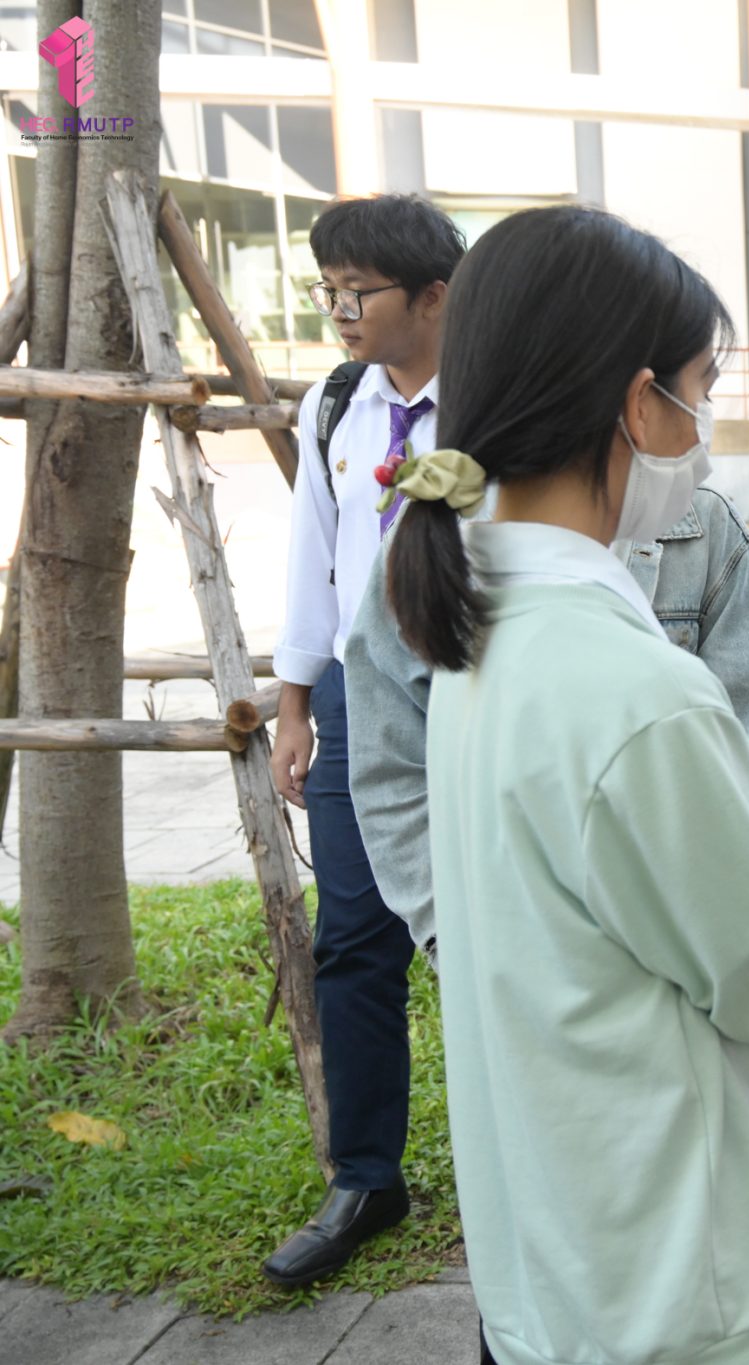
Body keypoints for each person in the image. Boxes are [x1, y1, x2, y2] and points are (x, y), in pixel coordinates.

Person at [383, 205, 749, 1365]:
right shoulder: (630, 688)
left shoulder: (487, 630)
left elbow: (667, 842)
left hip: (559, 1271)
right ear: (639, 405)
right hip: (684, 1296)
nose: (704, 426)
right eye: (700, 389)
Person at [262, 193, 465, 1287]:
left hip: (465, 690)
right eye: (328, 291)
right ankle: (366, 1176)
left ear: (433, 297)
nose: (340, 312)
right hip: (350, 695)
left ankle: (511, 1149)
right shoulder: (336, 401)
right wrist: (296, 703)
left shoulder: (495, 398)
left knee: (482, 932)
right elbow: (316, 551)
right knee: (352, 940)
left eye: (358, 293)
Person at [344, 482, 749, 965]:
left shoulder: (710, 529)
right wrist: (449, 929)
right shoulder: (434, 532)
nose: (698, 449)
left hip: (664, 950)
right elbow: (390, 760)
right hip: (507, 947)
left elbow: (742, 776)